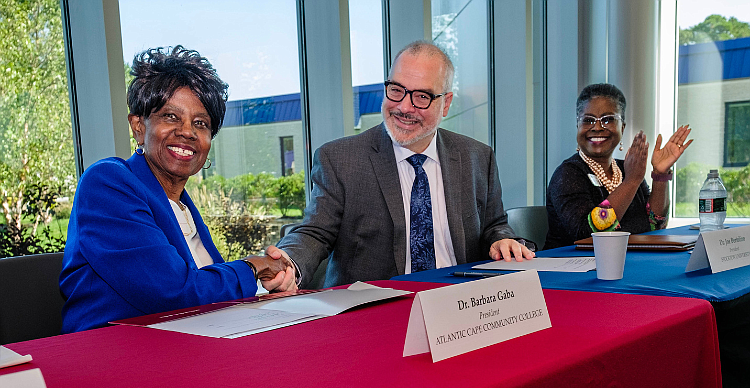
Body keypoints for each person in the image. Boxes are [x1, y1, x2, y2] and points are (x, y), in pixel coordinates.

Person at [60, 46, 296, 333]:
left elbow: (208, 293)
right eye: (171, 117)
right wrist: (253, 267)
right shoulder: (107, 182)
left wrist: (271, 278)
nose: (187, 131)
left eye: (201, 123)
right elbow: (173, 294)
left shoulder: (181, 205)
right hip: (116, 355)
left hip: (186, 347)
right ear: (138, 126)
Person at [275, 41, 534, 288]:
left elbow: (493, 225)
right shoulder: (340, 160)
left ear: (446, 104)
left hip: (459, 304)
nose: (404, 107)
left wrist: (502, 240)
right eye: (397, 90)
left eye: (422, 96)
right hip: (375, 311)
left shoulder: (477, 157)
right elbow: (314, 232)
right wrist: (289, 265)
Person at [545, 83, 693, 249]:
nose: (597, 127)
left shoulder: (627, 169)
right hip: (573, 268)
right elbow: (587, 235)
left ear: (622, 127)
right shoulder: (568, 174)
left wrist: (660, 174)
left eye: (608, 120)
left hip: (628, 262)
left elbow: (655, 225)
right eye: (588, 120)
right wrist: (631, 182)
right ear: (577, 126)